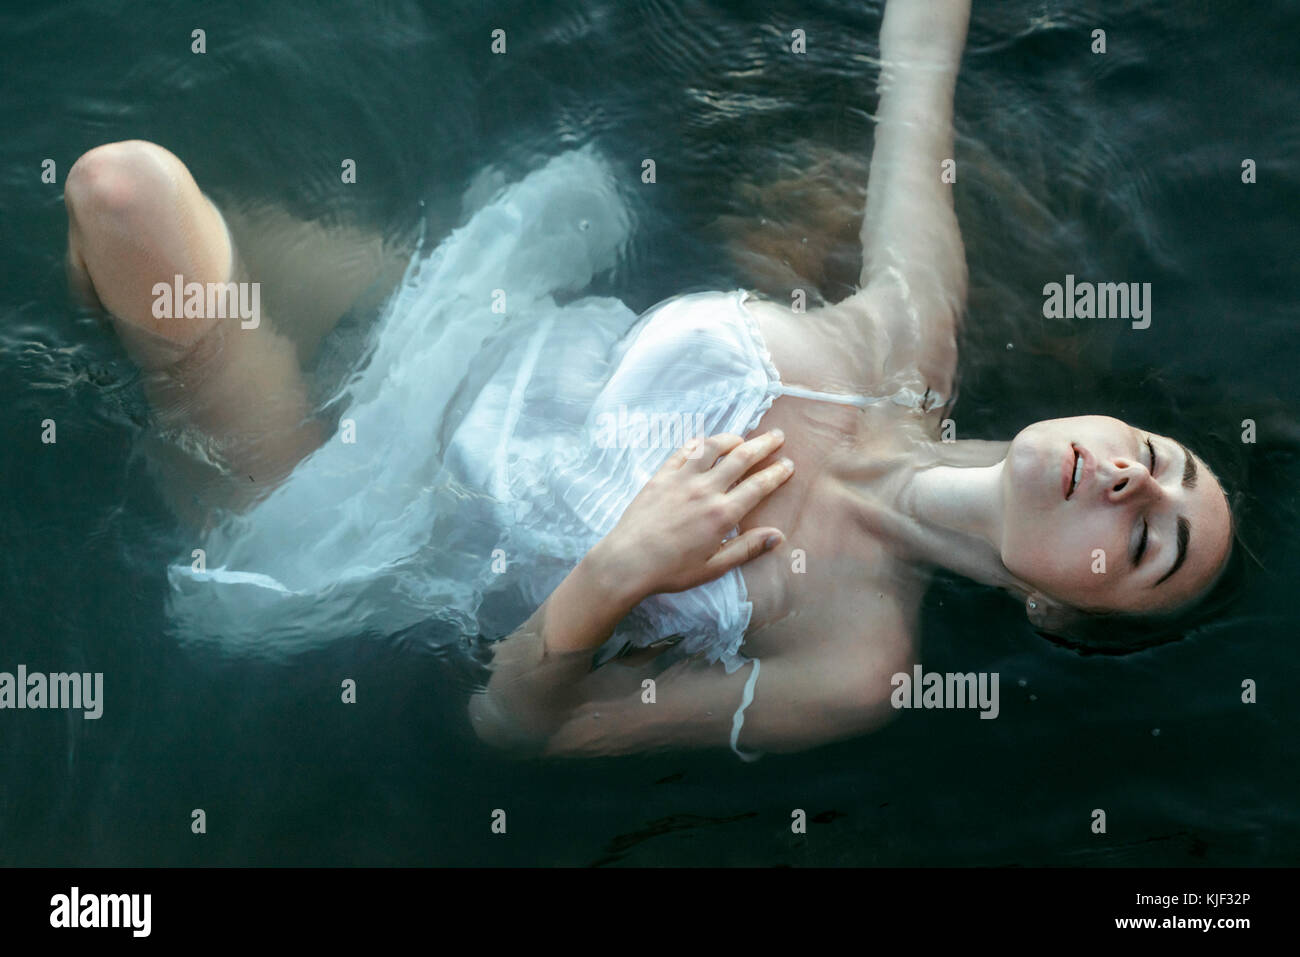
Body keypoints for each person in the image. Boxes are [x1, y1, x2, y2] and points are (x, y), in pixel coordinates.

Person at [63, 0, 1234, 759]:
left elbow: (517, 728)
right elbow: (914, 64)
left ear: (1053, 606)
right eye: (1165, 461)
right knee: (97, 224)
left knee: (124, 192)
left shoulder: (853, 662)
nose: (1135, 484)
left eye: (1148, 546)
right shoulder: (905, 338)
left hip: (346, 500)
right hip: (443, 312)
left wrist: (625, 568)